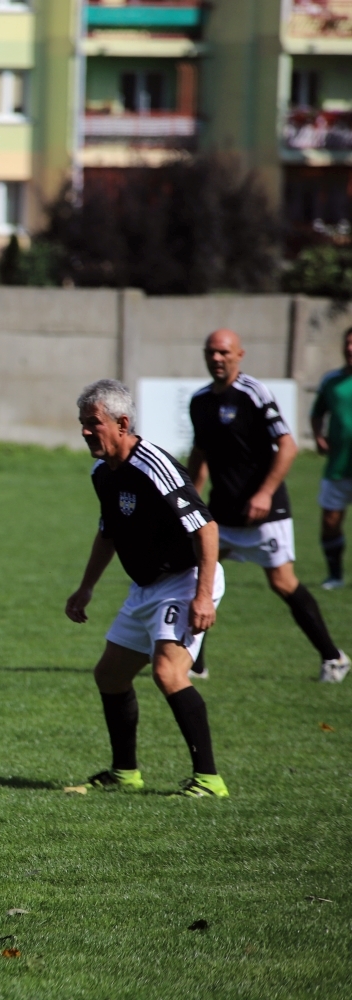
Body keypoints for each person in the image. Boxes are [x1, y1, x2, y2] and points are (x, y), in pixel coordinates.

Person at [65, 379, 229, 798]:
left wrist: (203, 595)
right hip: (146, 586)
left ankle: (209, 780)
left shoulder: (154, 465)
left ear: (121, 423)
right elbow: (108, 533)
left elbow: (206, 528)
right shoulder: (102, 472)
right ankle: (125, 772)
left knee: (168, 672)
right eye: (82, 423)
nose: (85, 431)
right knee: (110, 674)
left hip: (185, 579)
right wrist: (86, 588)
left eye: (93, 423)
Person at [187, 329, 347, 683]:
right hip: (222, 512)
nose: (217, 358)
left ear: (239, 355)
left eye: (224, 352)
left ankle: (334, 657)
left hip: (265, 511)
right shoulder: (199, 401)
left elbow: (287, 446)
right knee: (198, 576)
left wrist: (264, 493)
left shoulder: (253, 394)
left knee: (282, 582)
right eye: (211, 352)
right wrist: (187, 506)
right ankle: (196, 664)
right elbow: (200, 457)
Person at [312, 326, 352, 593]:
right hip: (338, 465)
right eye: (347, 343)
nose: (350, 348)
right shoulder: (332, 381)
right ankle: (335, 575)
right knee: (330, 522)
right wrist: (318, 435)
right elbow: (317, 413)